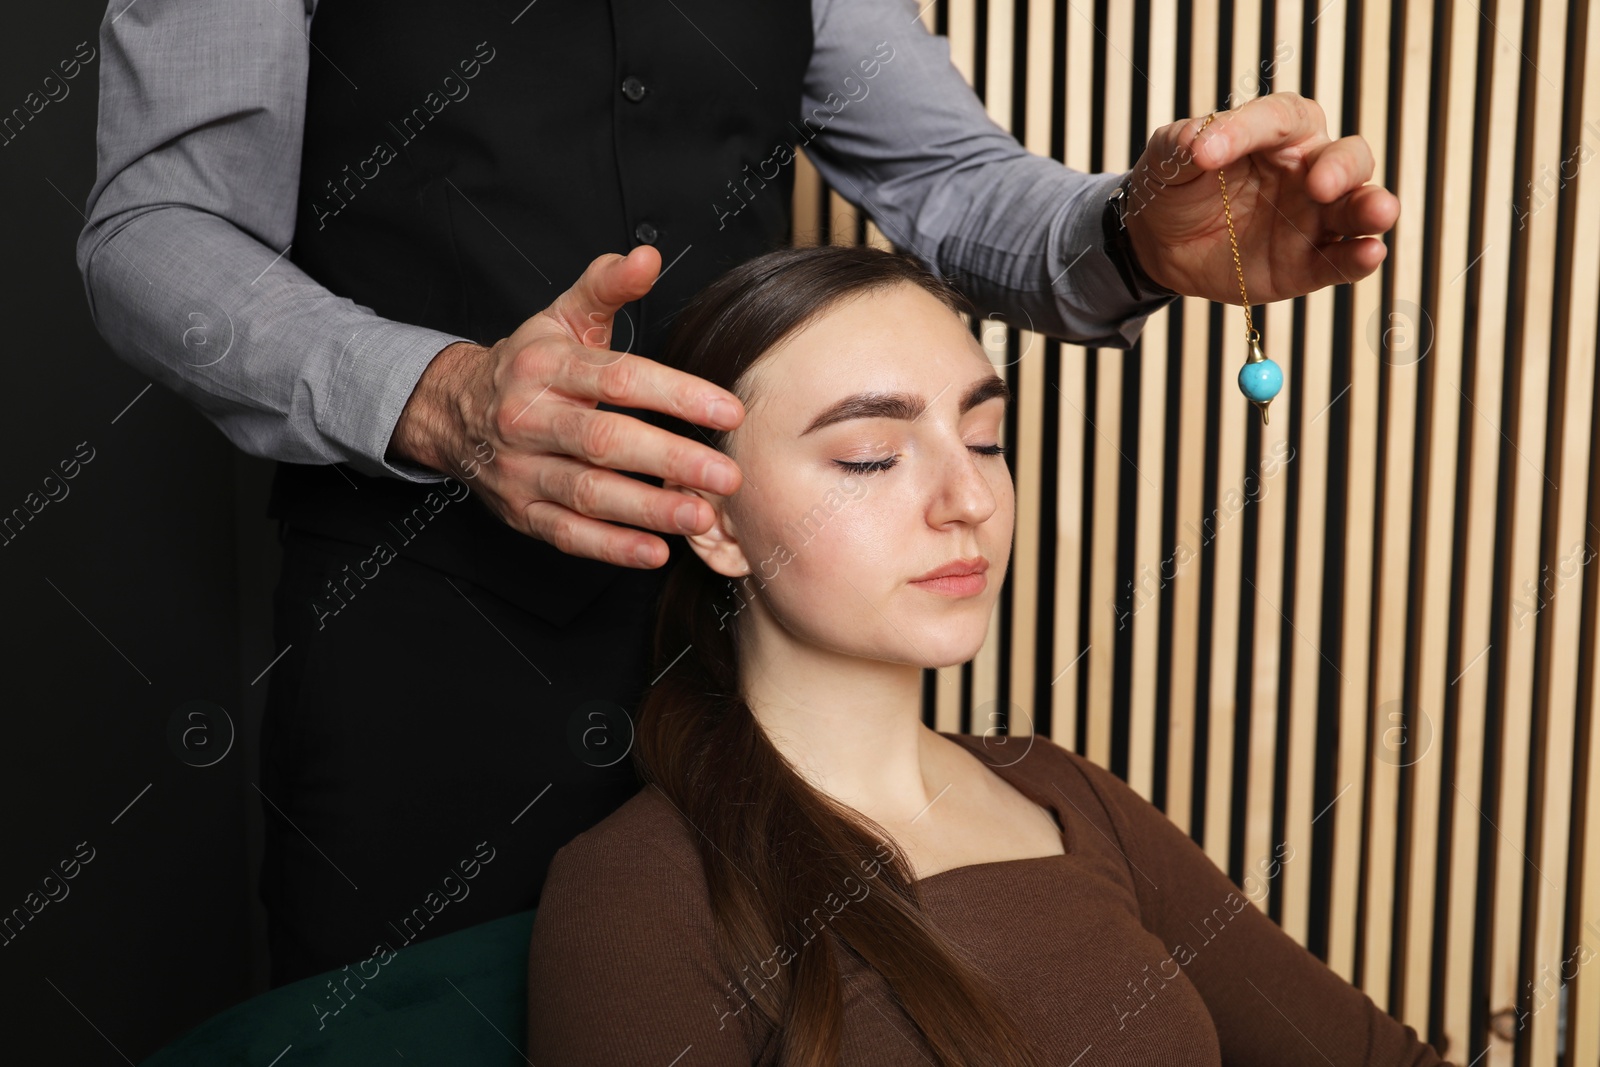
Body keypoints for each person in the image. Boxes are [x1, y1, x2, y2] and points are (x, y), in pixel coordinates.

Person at [77, 0, 1398, 985]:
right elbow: (157, 229)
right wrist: (441, 395)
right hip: (422, 656)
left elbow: (948, 178)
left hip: (753, 658)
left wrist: (1130, 233)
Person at [524, 244, 1445, 1066]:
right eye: (872, 457)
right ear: (716, 521)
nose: (968, 496)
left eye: (985, 439)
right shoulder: (639, 891)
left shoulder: (1069, 796)